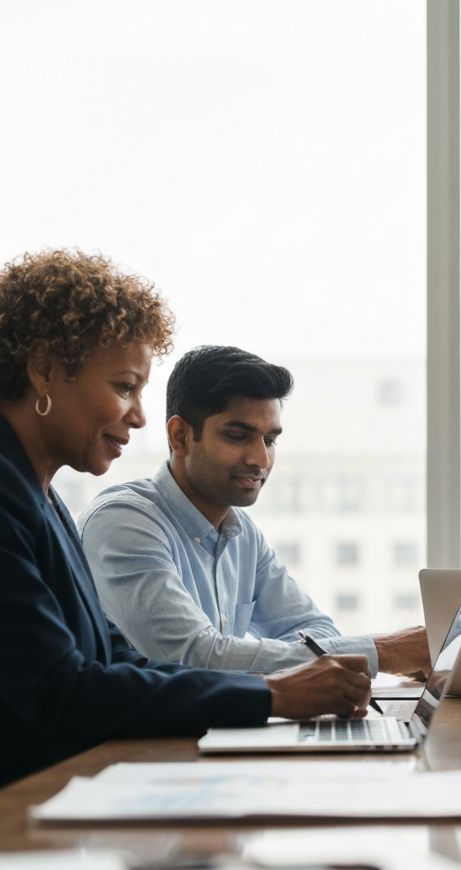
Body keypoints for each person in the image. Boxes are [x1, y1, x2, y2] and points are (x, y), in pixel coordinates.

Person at [0, 249, 371, 787]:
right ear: (44, 371)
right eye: (124, 387)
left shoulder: (43, 498)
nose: (139, 415)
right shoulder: (16, 497)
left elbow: (113, 660)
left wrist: (273, 694)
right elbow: (60, 691)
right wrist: (274, 694)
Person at [78, 345, 429, 676]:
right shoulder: (123, 523)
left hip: (212, 732)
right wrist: (384, 652)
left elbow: (314, 628)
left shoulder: (240, 532)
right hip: (142, 740)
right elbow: (192, 659)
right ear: (180, 436)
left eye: (270, 440)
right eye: (237, 436)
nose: (260, 459)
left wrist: (266, 660)